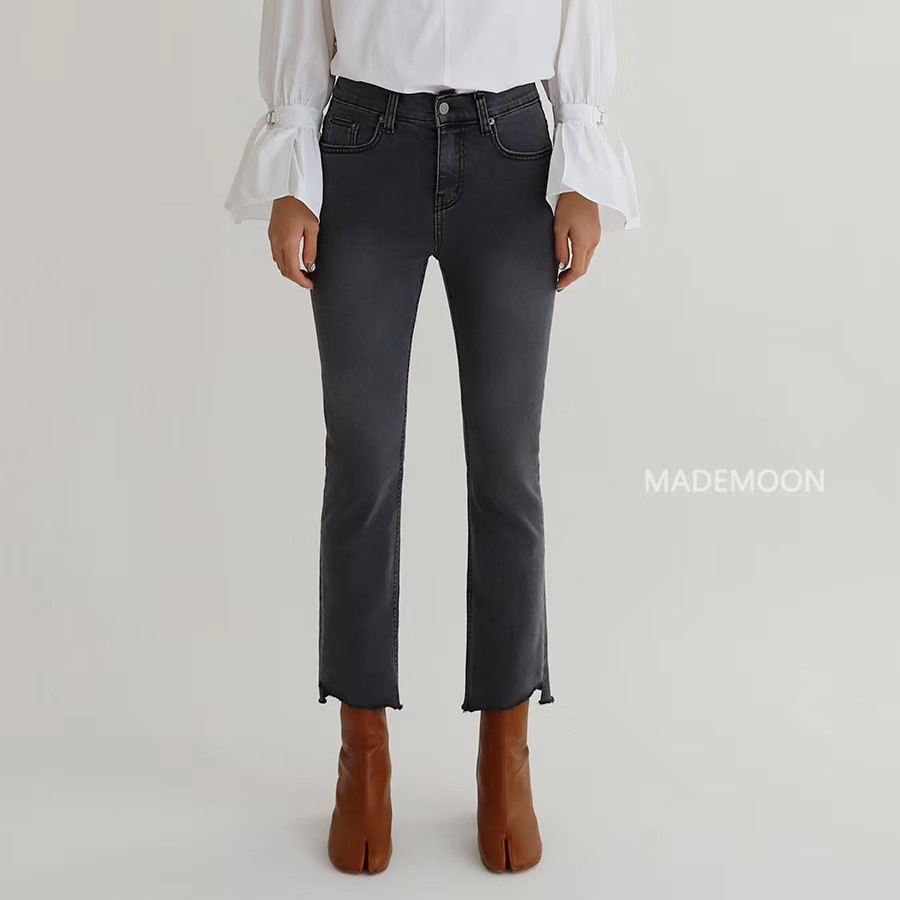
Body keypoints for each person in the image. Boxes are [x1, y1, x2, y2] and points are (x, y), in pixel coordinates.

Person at [225, 0, 639, 875]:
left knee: (507, 469)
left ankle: (506, 752)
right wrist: (293, 167)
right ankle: (362, 753)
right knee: (362, 466)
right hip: (362, 147)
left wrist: (582, 156)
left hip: (515, 155)